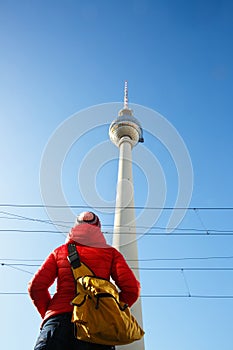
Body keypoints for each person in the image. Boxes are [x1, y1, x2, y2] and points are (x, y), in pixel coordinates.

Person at [28, 211, 140, 350]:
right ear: (98, 228)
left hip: (58, 321)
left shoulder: (60, 252)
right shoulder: (110, 253)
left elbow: (36, 287)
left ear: (76, 226)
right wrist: (108, 309)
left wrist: (51, 312)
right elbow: (131, 290)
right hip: (96, 325)